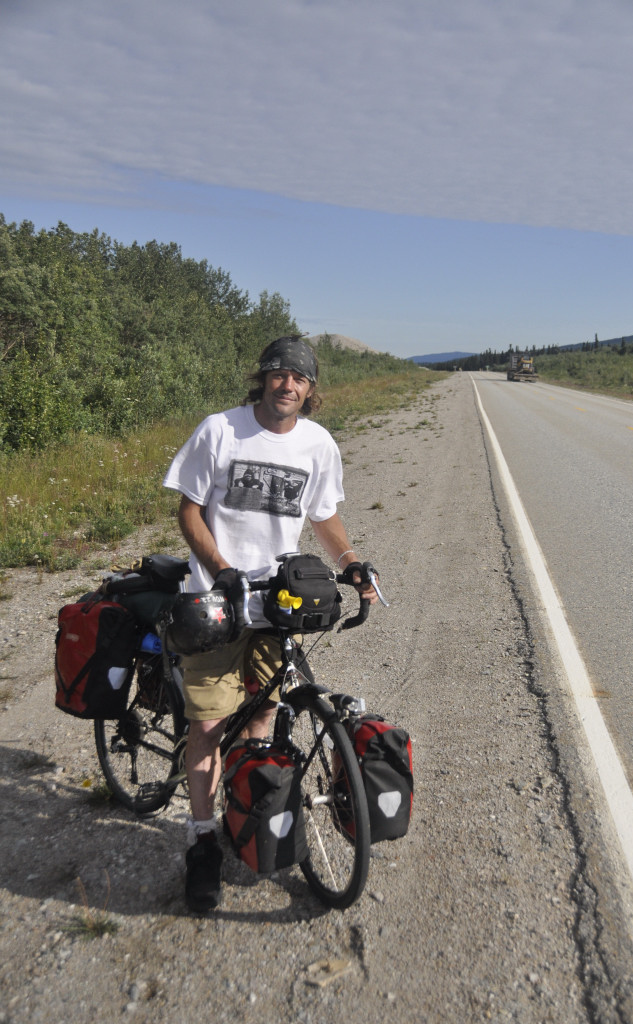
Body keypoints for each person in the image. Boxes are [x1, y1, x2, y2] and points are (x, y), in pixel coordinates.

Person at [163, 335, 379, 911]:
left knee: (262, 712)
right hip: (216, 601)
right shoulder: (221, 429)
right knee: (208, 727)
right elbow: (187, 508)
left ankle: (243, 804)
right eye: (279, 374)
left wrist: (349, 563)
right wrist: (222, 569)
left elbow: (323, 513)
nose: (288, 384)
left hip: (276, 605)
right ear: (261, 379)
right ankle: (202, 840)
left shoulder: (317, 444)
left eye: (300, 378)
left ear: (311, 391)